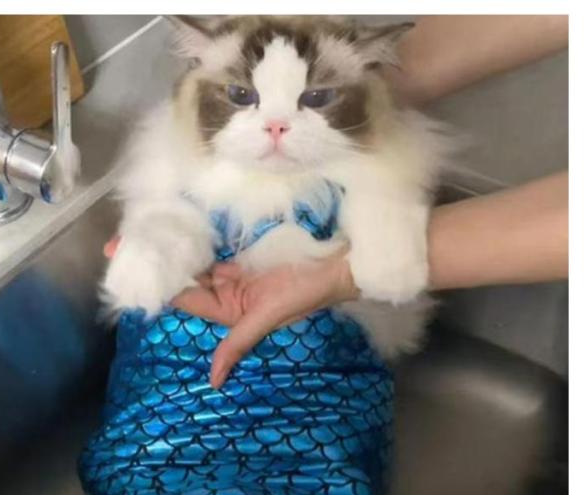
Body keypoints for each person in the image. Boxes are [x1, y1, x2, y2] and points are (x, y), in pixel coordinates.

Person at [104, 15, 569, 389]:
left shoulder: (368, 175)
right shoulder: (178, 164)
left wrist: (357, 263)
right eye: (242, 96)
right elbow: (171, 209)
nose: (275, 126)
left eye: (317, 97)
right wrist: (159, 239)